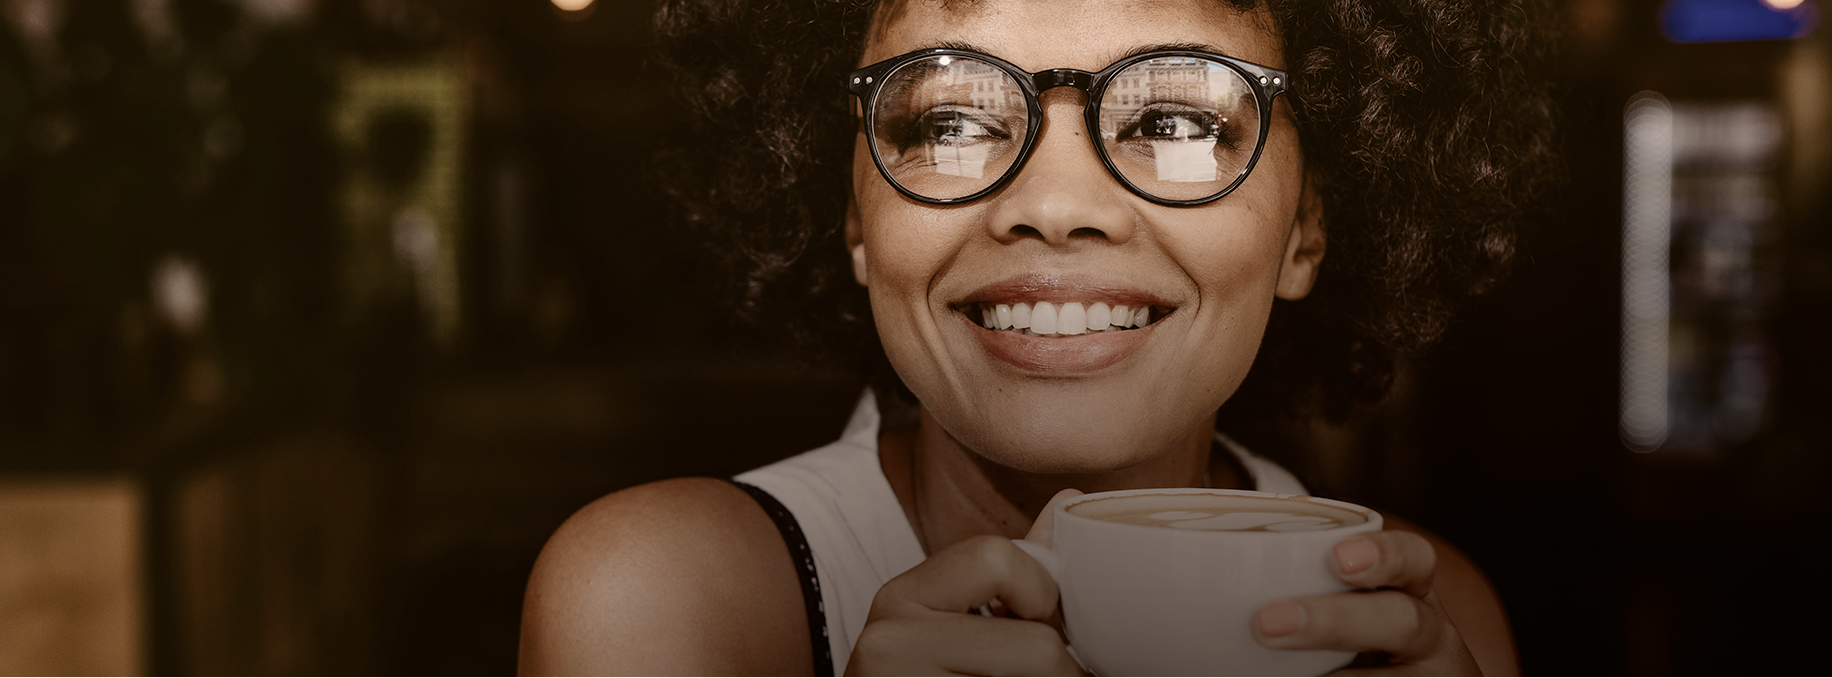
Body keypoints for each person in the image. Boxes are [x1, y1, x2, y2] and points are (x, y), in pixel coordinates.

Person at [519, 0, 1558, 676]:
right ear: (855, 226)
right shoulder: (665, 603)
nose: (1056, 206)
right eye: (949, 123)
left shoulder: (1428, 616)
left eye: (1175, 123)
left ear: (1306, 230)